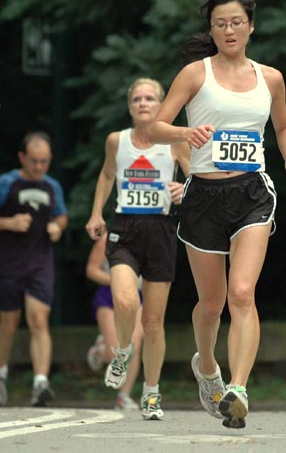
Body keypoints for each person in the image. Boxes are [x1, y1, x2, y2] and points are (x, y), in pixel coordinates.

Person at [147, 0, 286, 429]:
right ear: (212, 30)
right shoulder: (194, 75)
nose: (229, 29)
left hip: (253, 193)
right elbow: (157, 126)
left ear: (251, 26)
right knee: (211, 302)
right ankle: (206, 367)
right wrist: (185, 135)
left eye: (236, 21)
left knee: (242, 293)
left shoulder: (270, 77)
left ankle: (237, 388)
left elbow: (284, 125)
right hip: (203, 197)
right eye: (220, 23)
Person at [85, 77, 190, 420]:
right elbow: (106, 176)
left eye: (150, 98)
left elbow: (197, 180)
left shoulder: (175, 141)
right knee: (126, 300)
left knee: (155, 322)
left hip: (160, 230)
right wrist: (96, 212)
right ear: (130, 106)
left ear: (160, 105)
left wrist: (183, 190)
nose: (143, 103)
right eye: (137, 99)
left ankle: (152, 394)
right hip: (124, 228)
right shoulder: (117, 141)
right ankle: (123, 351)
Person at [0, 131, 68, 407]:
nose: (39, 167)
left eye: (44, 162)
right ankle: (1, 376)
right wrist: (9, 223)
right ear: (22, 157)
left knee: (39, 318)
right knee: (9, 322)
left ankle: (41, 383)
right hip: (9, 262)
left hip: (40, 262)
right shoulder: (6, 183)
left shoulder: (52, 186)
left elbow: (61, 215)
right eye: (34, 161)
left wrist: (57, 226)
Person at [85, 236, 144, 411]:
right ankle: (102, 350)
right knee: (114, 354)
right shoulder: (107, 239)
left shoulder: (150, 235)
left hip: (138, 296)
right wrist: (119, 281)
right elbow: (92, 269)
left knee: (135, 344)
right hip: (109, 296)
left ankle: (123, 396)